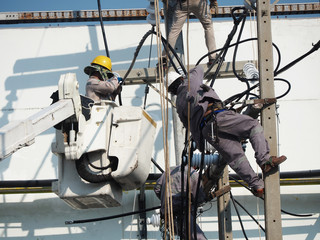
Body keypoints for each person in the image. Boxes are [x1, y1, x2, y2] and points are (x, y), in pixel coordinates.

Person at [166, 66, 287, 197]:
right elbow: (199, 69)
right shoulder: (191, 81)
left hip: (208, 131)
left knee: (236, 158)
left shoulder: (179, 105)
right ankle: (264, 160)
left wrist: (201, 145)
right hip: (218, 118)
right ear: (181, 79)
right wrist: (186, 74)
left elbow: (190, 127)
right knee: (252, 125)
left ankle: (257, 185)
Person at [154, 164, 207, 240]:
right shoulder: (193, 174)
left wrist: (164, 200)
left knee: (180, 233)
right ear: (195, 165)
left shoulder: (168, 171)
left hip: (167, 212)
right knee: (198, 237)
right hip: (183, 212)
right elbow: (199, 197)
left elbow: (157, 188)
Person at [162, 0, 218, 66]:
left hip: (183, 4)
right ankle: (212, 56)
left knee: (174, 31)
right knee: (208, 26)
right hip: (199, 3)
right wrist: (213, 2)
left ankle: (164, 58)